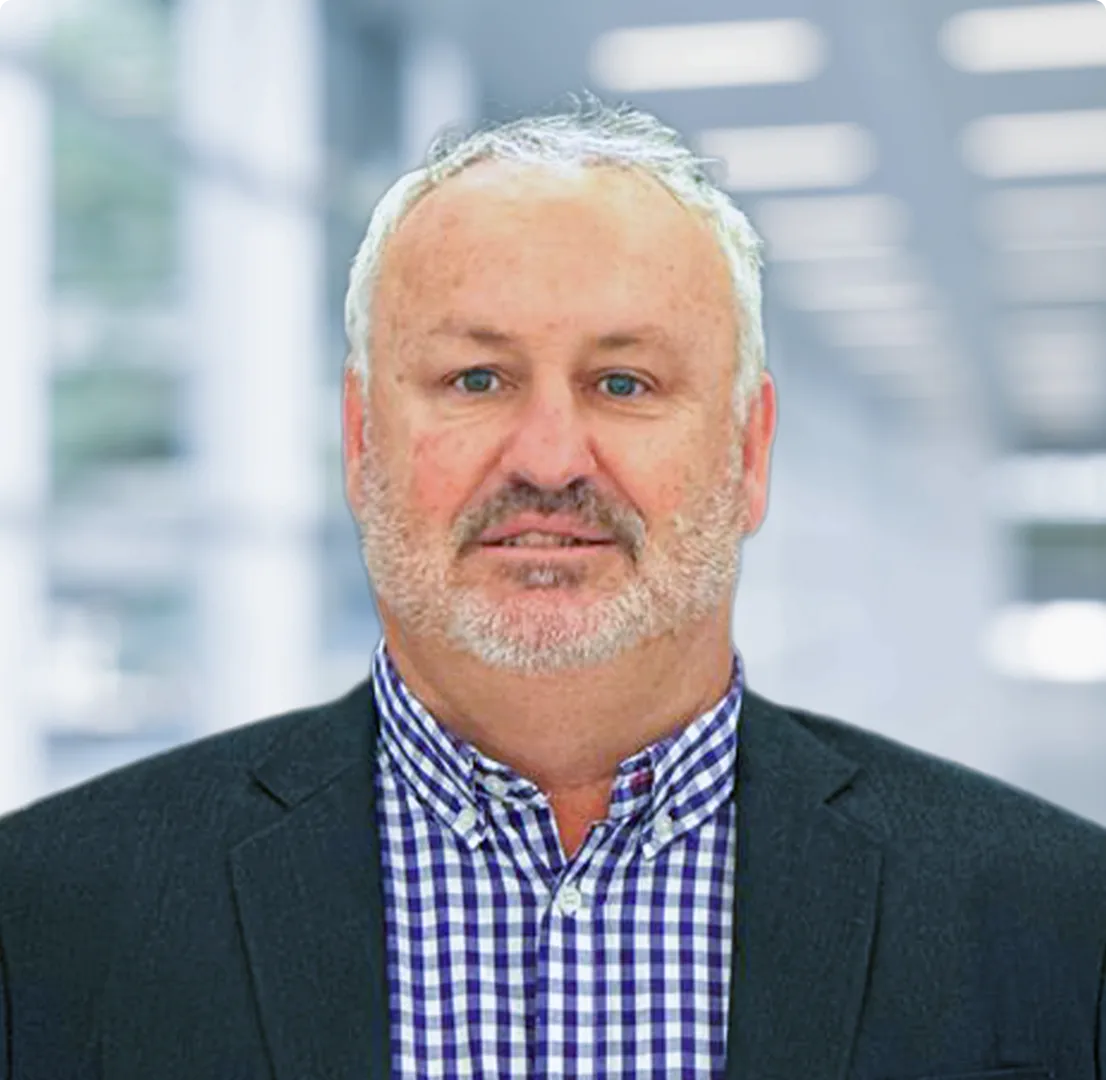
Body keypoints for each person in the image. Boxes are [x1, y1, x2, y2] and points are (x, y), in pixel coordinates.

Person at [1, 95, 1104, 1080]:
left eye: (622, 382)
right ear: (359, 441)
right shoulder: (43, 921)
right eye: (474, 379)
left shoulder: (1053, 921)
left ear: (748, 450)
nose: (546, 457)